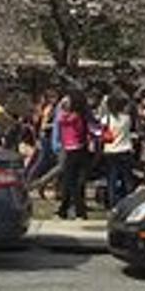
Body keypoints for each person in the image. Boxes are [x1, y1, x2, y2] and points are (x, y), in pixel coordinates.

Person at [55, 91, 95, 220]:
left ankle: (78, 211)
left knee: (70, 183)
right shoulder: (83, 116)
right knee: (72, 182)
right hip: (80, 149)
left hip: (72, 150)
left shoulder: (71, 117)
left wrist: (61, 105)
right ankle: (64, 210)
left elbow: (60, 119)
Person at [98, 92, 136, 207]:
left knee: (112, 178)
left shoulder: (106, 119)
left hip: (110, 150)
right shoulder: (127, 118)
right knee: (127, 177)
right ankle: (130, 200)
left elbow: (102, 132)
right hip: (125, 149)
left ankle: (112, 202)